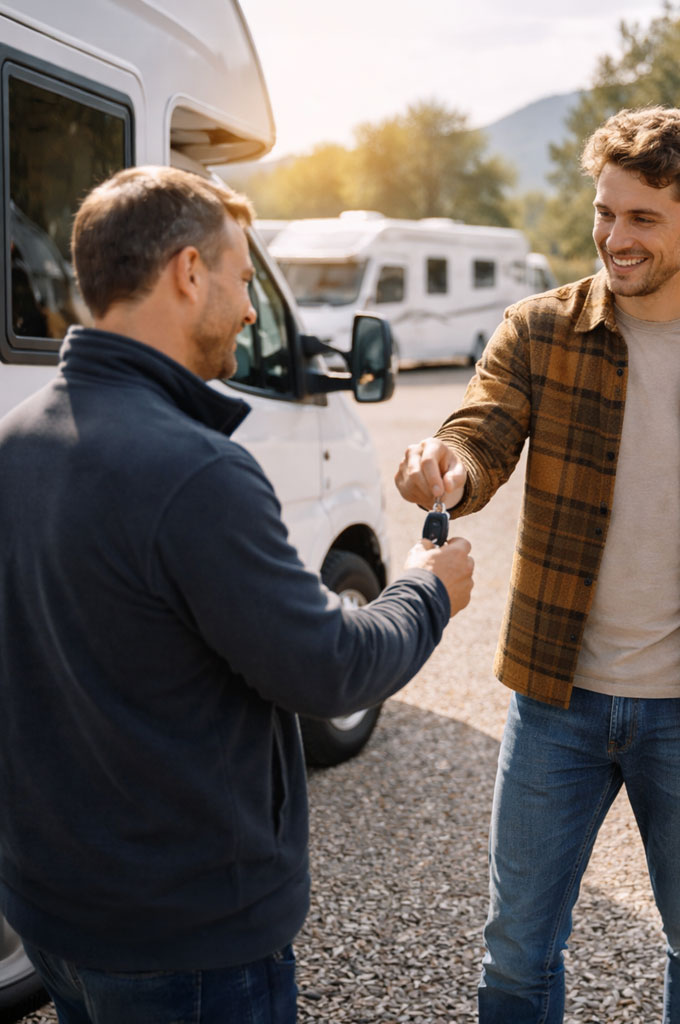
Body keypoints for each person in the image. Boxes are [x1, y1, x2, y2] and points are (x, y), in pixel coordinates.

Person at [0, 165, 474, 1024]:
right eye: (245, 279)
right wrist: (427, 590)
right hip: (185, 936)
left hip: (53, 911)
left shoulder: (16, 437)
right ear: (189, 273)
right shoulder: (197, 471)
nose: (253, 309)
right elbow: (330, 670)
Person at [395, 106, 680, 1023]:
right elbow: (481, 429)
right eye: (605, 213)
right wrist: (448, 466)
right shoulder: (538, 330)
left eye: (643, 218)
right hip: (555, 698)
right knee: (516, 946)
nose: (616, 237)